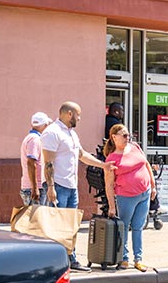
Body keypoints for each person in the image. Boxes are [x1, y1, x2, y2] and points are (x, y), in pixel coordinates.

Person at [42, 101, 116, 272]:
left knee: (71, 225)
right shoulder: (52, 133)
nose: (80, 118)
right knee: (56, 226)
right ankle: (55, 263)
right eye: (78, 115)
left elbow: (81, 155)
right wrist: (51, 186)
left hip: (71, 186)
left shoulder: (71, 134)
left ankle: (70, 259)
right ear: (69, 114)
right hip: (58, 186)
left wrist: (103, 165)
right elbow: (48, 162)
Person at [103, 123, 156, 272]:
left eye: (129, 135)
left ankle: (138, 259)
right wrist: (112, 206)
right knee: (124, 227)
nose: (128, 138)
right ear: (114, 137)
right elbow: (109, 184)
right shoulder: (112, 159)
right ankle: (124, 258)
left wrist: (153, 185)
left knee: (138, 227)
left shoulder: (135, 147)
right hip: (126, 197)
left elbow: (146, 165)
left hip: (143, 194)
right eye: (124, 135)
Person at [20, 112, 52, 206]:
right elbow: (31, 163)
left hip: (34, 187)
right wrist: (34, 188)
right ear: (45, 125)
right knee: (36, 220)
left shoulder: (32, 138)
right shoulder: (35, 139)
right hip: (35, 187)